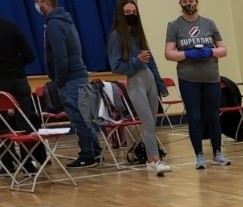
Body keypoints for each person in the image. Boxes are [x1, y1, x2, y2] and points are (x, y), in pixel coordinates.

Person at [107, 1, 171, 176]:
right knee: (148, 123)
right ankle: (154, 160)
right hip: (135, 81)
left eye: (134, 11)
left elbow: (152, 61)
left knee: (152, 123)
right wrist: (136, 61)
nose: (131, 14)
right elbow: (115, 66)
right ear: (121, 14)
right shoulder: (115, 36)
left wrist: (160, 84)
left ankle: (152, 160)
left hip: (149, 77)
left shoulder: (138, 34)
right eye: (127, 12)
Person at [164, 0, 230, 170]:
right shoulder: (174, 25)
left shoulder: (209, 23)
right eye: (185, 0)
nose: (188, 3)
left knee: (214, 117)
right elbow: (169, 53)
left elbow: (223, 50)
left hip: (211, 78)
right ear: (180, 3)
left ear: (196, 2)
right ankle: (199, 156)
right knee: (195, 118)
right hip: (188, 79)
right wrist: (186, 54)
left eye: (191, 0)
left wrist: (211, 51)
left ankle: (217, 153)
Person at [35, 0, 101, 168]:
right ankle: (95, 151)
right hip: (78, 76)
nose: (36, 5)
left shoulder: (54, 25)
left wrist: (58, 81)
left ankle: (87, 155)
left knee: (79, 119)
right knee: (84, 118)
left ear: (46, 2)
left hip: (70, 79)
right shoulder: (64, 21)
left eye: (37, 1)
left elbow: (60, 56)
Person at [0, 15, 46, 173]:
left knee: (2, 126)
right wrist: (15, 65)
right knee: (26, 123)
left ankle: (6, 165)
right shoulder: (12, 27)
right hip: (19, 81)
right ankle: (30, 163)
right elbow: (29, 56)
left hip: (0, 84)